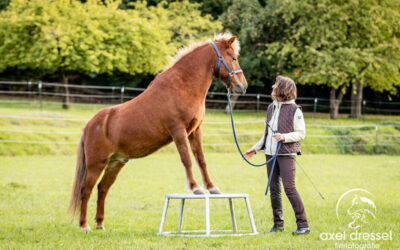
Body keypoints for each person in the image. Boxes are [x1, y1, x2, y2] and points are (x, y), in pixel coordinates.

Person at [244, 76, 310, 235]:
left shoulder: (295, 110)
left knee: (289, 188)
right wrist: (255, 149)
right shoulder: (271, 108)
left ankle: (303, 225)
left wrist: (285, 137)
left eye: (276, 85)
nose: (273, 86)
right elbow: (267, 134)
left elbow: (301, 133)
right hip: (270, 154)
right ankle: (278, 225)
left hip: (287, 154)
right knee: (274, 189)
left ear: (283, 89)